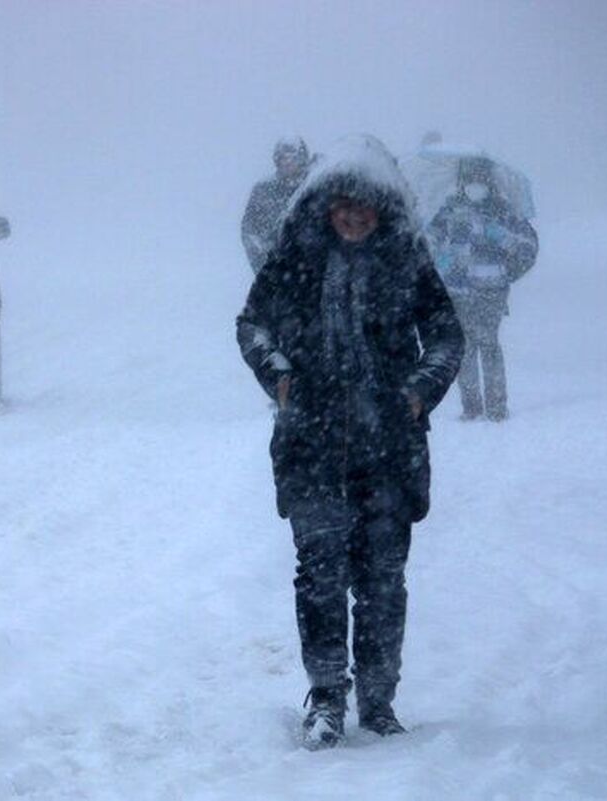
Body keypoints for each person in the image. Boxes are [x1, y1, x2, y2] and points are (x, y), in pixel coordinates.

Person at [236, 134, 463, 750]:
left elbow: (446, 336)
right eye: (344, 203)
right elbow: (252, 325)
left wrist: (418, 391)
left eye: (366, 205)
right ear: (325, 205)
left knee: (383, 581)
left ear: (384, 209)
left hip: (389, 451)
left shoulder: (408, 263)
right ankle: (328, 698)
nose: (354, 214)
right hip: (311, 447)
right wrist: (280, 378)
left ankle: (380, 701)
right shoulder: (293, 260)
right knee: (319, 576)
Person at [426, 157, 538, 421]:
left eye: (480, 179)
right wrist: (441, 260)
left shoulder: (502, 210)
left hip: (491, 290)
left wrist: (503, 249)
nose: (475, 184)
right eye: (470, 179)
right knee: (464, 348)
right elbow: (430, 240)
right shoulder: (449, 209)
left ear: (488, 180)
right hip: (457, 291)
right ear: (463, 182)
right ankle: (471, 406)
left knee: (488, 345)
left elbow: (527, 247)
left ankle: (497, 407)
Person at [240, 136, 313, 274]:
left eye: (293, 158)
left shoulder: (314, 185)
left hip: (312, 271)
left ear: (302, 159)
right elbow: (249, 232)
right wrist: (263, 266)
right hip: (275, 272)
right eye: (282, 158)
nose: (287, 162)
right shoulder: (263, 190)